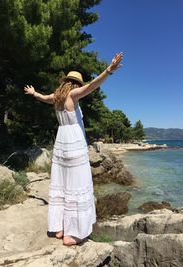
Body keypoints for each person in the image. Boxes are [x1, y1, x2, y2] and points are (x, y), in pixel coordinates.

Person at [24, 52, 123, 246]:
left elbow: (43, 97)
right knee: (77, 183)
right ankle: (73, 234)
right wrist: (108, 71)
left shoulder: (56, 97)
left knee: (62, 182)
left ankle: (59, 228)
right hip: (75, 141)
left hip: (61, 141)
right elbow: (93, 86)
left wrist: (34, 93)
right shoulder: (73, 94)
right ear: (75, 84)